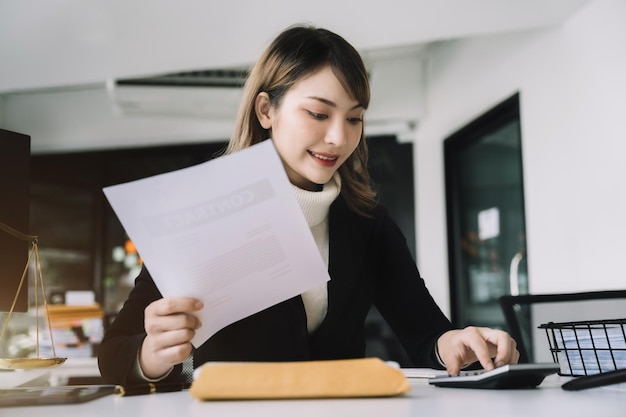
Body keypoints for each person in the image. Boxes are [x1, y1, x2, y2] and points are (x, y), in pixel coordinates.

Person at [98, 24, 519, 385]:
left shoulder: (366, 221)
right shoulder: (207, 211)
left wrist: (460, 343)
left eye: (354, 118)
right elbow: (115, 354)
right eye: (319, 114)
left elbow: (427, 335)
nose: (339, 137)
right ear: (266, 110)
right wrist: (154, 354)